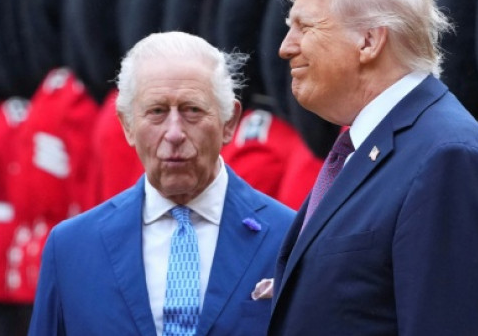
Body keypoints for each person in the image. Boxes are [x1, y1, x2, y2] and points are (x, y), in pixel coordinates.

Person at [265, 0, 478, 335]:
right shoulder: (375, 145)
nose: (285, 46)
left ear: (368, 41)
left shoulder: (447, 157)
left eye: (304, 27)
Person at [29, 31, 294, 336]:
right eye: (156, 112)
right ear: (127, 124)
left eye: (192, 110)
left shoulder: (287, 237)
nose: (174, 133)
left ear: (229, 122)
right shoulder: (71, 248)